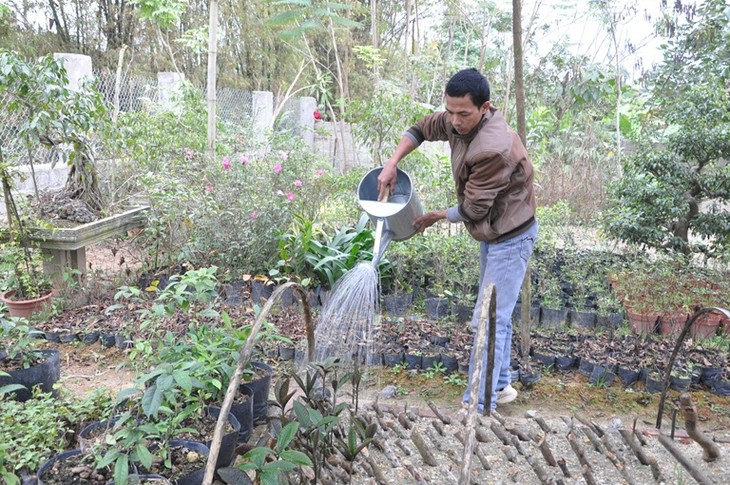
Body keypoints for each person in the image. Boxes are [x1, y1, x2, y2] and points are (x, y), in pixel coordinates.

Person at [377, 68, 537, 413]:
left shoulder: (493, 147)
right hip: (493, 232)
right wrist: (391, 163)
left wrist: (436, 216)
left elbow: (474, 207)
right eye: (450, 111)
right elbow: (420, 129)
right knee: (497, 311)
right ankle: (502, 384)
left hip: (511, 235)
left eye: (463, 113)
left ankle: (478, 405)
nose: (454, 120)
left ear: (485, 108)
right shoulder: (455, 120)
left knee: (489, 316)